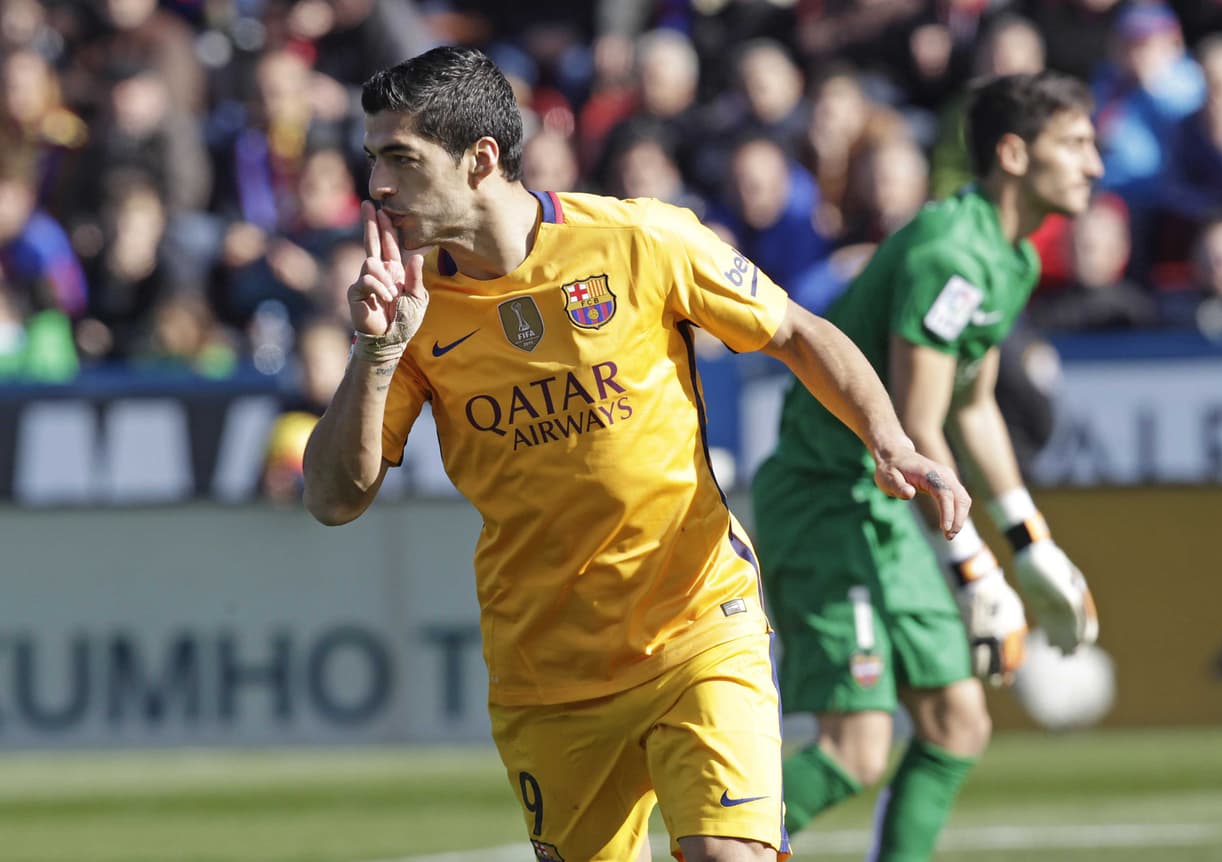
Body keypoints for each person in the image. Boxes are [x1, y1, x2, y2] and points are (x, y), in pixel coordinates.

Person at [301, 46, 970, 862]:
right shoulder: (410, 309)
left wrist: (890, 440)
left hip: (698, 625)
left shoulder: (639, 239)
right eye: (374, 160)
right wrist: (374, 356)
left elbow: (795, 331)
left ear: (480, 159)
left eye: (401, 159)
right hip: (546, 672)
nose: (377, 187)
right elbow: (336, 498)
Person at [750, 71, 1103, 859]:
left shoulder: (1005, 255)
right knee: (855, 750)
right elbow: (915, 426)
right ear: (1013, 154)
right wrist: (978, 572)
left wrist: (1032, 542)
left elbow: (971, 409)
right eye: (1075, 144)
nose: (1095, 165)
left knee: (957, 723)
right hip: (827, 499)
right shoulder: (950, 252)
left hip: (880, 503)